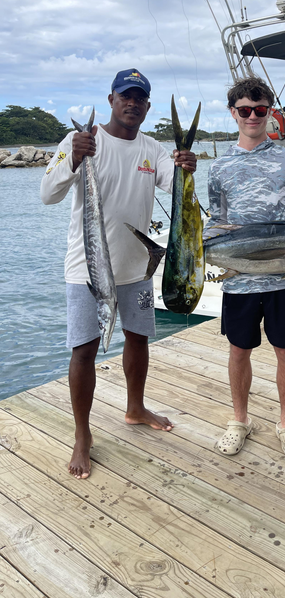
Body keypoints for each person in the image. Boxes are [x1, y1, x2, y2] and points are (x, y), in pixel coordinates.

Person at [41, 69, 197, 479]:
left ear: (147, 106)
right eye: (125, 96)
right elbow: (47, 194)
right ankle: (82, 434)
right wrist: (74, 158)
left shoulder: (152, 149)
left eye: (140, 98)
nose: (132, 103)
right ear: (111, 99)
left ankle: (135, 407)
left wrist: (186, 167)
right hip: (87, 271)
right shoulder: (83, 140)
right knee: (84, 350)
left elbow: (175, 185)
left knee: (139, 338)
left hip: (137, 269)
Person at [206, 76, 285, 459]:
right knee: (239, 351)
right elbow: (215, 223)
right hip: (238, 280)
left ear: (270, 112)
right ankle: (240, 420)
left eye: (260, 109)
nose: (252, 116)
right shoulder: (218, 168)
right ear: (233, 113)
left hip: (284, 277)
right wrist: (197, 252)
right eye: (245, 110)